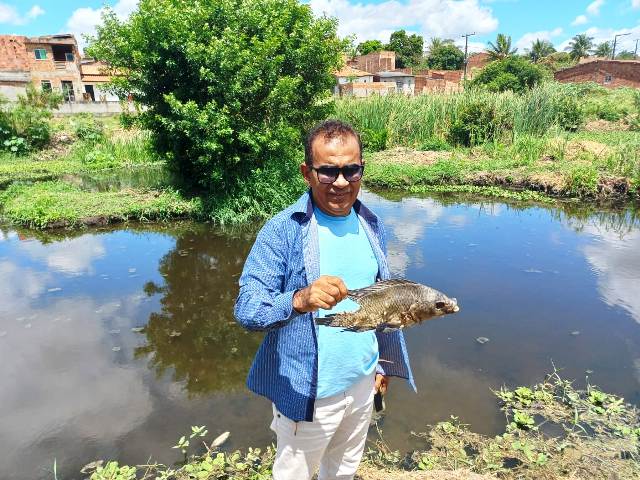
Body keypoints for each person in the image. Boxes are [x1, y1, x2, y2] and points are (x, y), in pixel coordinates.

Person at [234, 119, 414, 480]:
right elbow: (248, 309)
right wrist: (300, 299)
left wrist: (382, 365)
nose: (342, 182)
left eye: (352, 170)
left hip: (363, 383)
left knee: (344, 470)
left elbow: (380, 304)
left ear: (362, 168)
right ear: (307, 172)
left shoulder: (370, 223)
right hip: (309, 392)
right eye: (328, 172)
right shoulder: (283, 230)